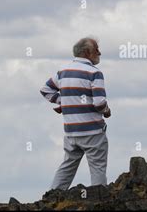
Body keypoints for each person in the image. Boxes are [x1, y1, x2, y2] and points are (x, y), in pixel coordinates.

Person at [40, 37, 111, 190]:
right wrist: (107, 111)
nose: (100, 52)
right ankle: (99, 201)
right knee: (98, 168)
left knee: (67, 167)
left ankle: (52, 196)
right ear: (87, 52)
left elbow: (45, 90)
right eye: (96, 49)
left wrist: (62, 101)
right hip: (93, 132)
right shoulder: (94, 73)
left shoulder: (63, 72)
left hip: (71, 132)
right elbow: (99, 103)